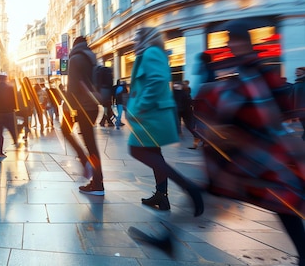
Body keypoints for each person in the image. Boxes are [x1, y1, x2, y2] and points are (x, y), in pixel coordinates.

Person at [195, 20, 304, 265]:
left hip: (257, 148)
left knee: (283, 202)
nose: (228, 45)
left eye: (230, 40)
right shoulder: (257, 69)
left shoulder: (251, 69)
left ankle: (169, 236)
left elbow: (251, 105)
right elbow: (282, 107)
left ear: (239, 41)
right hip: (259, 147)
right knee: (283, 203)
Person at [126, 27, 204, 216]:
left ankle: (188, 186)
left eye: (137, 38)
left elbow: (156, 81)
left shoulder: (152, 52)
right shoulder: (149, 53)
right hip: (152, 113)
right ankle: (161, 195)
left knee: (136, 149)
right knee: (154, 153)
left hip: (151, 113)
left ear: (146, 38)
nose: (134, 42)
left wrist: (140, 107)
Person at [63, 36, 105, 195]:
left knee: (65, 130)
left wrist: (68, 108)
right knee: (91, 144)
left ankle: (89, 169)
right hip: (93, 106)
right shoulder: (91, 57)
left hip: (81, 106)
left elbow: (73, 86)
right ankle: (97, 181)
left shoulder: (75, 59)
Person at [0, 74, 19, 157]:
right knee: (12, 129)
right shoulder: (10, 88)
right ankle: (16, 142)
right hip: (8, 112)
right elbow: (13, 100)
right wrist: (14, 109)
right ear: (6, 79)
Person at [294, 67, 305, 140]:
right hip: (300, 108)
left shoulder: (302, 83)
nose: (296, 73)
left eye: (298, 71)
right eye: (296, 71)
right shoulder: (298, 82)